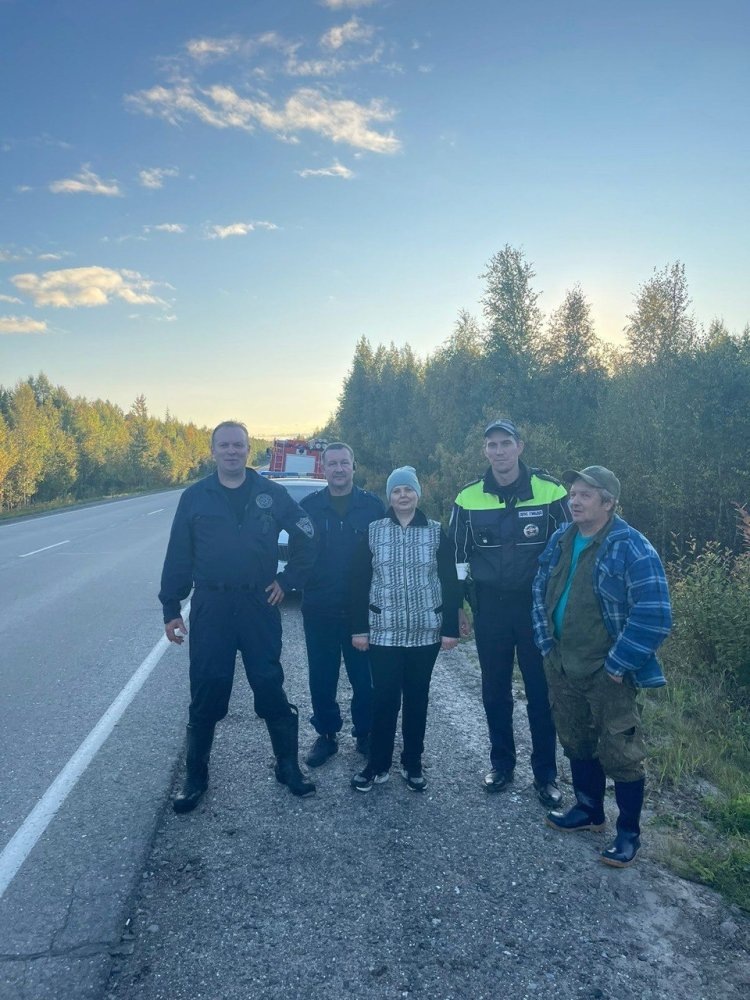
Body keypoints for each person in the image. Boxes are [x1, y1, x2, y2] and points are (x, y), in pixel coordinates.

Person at [159, 420, 318, 813]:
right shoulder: (196, 497)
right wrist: (170, 607)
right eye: (224, 445)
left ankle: (287, 767)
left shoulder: (271, 493)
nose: (232, 451)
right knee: (208, 687)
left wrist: (289, 579)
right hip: (211, 606)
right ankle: (196, 776)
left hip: (257, 605)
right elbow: (179, 553)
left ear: (249, 450)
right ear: (213, 451)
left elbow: (307, 534)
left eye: (239, 445)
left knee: (268, 682)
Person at [531, 466, 672, 867]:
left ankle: (628, 833)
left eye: (585, 495)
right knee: (575, 739)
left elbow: (655, 614)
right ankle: (589, 811)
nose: (574, 501)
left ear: (608, 504)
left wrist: (619, 663)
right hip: (562, 664)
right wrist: (546, 646)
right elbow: (539, 588)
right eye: (573, 494)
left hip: (607, 671)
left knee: (621, 750)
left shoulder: (632, 547)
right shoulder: (562, 538)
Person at [449, 418, 570, 805]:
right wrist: (460, 604)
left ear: (520, 446)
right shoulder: (468, 498)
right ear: (485, 452)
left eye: (506, 443)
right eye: (492, 445)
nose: (499, 451)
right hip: (491, 610)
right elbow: (457, 557)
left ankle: (546, 775)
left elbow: (570, 551)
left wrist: (561, 605)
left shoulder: (552, 491)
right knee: (495, 691)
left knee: (540, 692)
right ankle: (501, 765)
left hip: (536, 610)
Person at [349, 467, 461, 793]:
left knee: (417, 699)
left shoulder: (437, 533)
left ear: (418, 494)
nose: (402, 496)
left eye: (408, 490)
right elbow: (358, 583)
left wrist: (450, 628)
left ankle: (412, 763)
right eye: (396, 491)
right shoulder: (373, 532)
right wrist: (359, 628)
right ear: (389, 496)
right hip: (383, 630)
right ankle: (377, 764)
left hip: (425, 631)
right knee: (384, 699)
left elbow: (450, 582)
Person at [291, 442, 385, 767]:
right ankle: (326, 735)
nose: (339, 469)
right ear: (324, 468)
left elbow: (386, 554)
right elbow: (297, 554)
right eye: (332, 464)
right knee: (322, 675)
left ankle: (366, 734)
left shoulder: (373, 506)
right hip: (320, 608)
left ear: (354, 466)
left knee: (365, 678)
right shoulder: (309, 508)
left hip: (362, 611)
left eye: (345, 463)